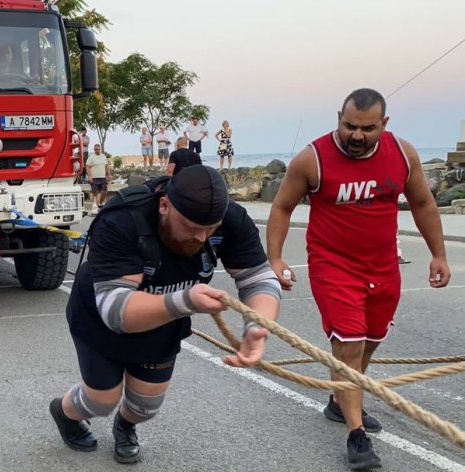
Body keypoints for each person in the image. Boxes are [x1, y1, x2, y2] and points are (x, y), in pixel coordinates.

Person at [267, 88, 451, 470]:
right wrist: (276, 257)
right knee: (349, 344)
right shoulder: (312, 159)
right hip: (333, 266)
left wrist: (438, 254)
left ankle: (339, 402)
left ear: (384, 124)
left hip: (382, 267)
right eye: (349, 125)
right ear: (339, 117)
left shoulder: (402, 154)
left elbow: (422, 203)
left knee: (368, 342)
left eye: (367, 128)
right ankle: (356, 432)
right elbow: (282, 206)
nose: (356, 135)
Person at [50, 165, 281, 464]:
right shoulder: (122, 218)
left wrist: (257, 325)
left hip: (164, 317)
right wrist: (184, 301)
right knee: (102, 399)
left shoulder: (230, 219)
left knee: (145, 406)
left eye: (210, 229)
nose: (201, 237)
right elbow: (116, 311)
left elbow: (258, 278)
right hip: (101, 316)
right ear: (164, 205)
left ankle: (126, 426)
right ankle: (64, 413)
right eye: (191, 227)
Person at [85, 144, 112, 214]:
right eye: (96, 149)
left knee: (104, 192)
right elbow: (87, 166)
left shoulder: (103, 156)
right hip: (94, 178)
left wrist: (109, 175)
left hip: (103, 177)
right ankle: (99, 207)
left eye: (99, 149)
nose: (97, 150)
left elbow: (106, 166)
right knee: (96, 193)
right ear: (94, 149)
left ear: (100, 149)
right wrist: (89, 176)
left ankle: (100, 204)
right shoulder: (91, 157)